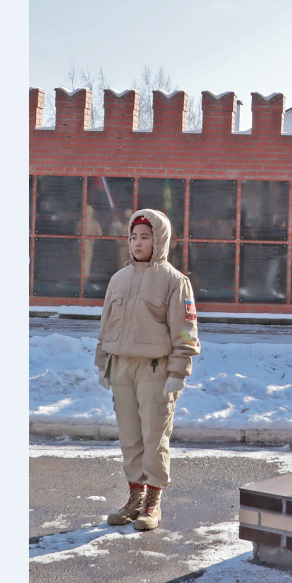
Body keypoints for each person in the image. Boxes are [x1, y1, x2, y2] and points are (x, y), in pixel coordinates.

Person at [94, 209, 201, 531]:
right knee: (130, 437)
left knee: (154, 438)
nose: (137, 243)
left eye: (145, 237)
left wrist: (177, 373)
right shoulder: (118, 279)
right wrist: (102, 363)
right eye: (133, 236)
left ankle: (153, 503)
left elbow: (186, 333)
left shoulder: (175, 281)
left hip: (155, 371)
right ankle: (134, 499)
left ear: (160, 240)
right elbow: (106, 324)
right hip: (121, 369)